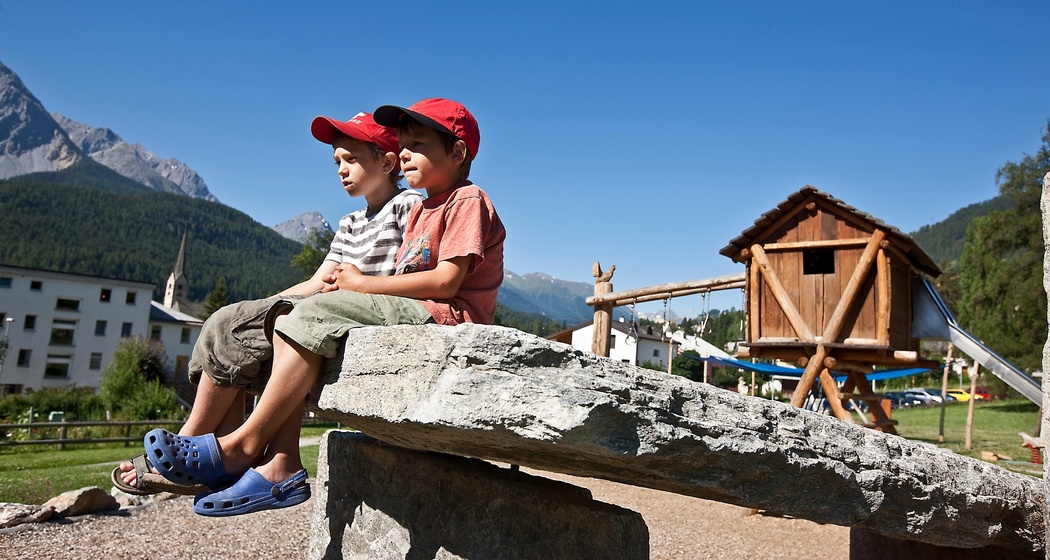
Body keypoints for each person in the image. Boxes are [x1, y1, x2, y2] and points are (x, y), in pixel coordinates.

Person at [141, 97, 505, 517]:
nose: (404, 152)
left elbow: (446, 282)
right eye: (402, 144)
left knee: (310, 316)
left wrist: (364, 284)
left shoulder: (466, 200)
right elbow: (330, 280)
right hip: (417, 308)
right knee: (270, 317)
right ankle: (263, 458)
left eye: (417, 144)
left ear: (457, 152)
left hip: (446, 315)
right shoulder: (425, 207)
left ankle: (244, 445)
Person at [113, 111, 420, 495]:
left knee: (267, 323)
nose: (341, 169)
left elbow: (408, 277)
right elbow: (315, 281)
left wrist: (351, 288)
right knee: (227, 320)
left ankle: (200, 445)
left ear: (388, 162)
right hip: (324, 305)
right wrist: (260, 306)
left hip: (355, 315)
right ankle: (200, 441)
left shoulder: (408, 206)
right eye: (336, 161)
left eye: (351, 159)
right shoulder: (350, 223)